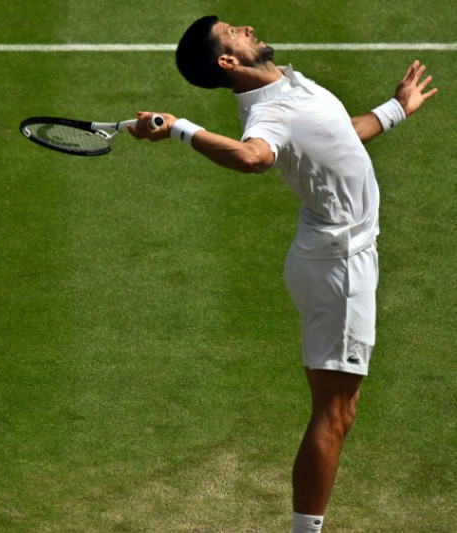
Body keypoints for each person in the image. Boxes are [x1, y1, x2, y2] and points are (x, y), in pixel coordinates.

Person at [127, 15, 438, 533]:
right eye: (233, 32)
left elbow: (341, 137)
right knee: (335, 413)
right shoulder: (268, 115)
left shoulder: (290, 83)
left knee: (340, 405)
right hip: (338, 269)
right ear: (228, 61)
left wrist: (396, 109)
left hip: (343, 253)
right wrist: (181, 128)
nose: (247, 27)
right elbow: (253, 158)